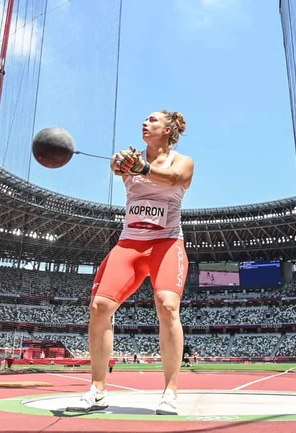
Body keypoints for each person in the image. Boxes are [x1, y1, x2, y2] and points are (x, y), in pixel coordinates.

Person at [66, 110, 194, 415]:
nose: (144, 123)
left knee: (167, 305)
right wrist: (121, 163)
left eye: (152, 119)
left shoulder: (182, 161)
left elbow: (175, 178)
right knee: (99, 307)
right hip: (129, 244)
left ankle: (170, 391)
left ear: (168, 129)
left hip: (166, 243)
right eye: (144, 119)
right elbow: (116, 166)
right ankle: (97, 389)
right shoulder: (130, 159)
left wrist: (143, 167)